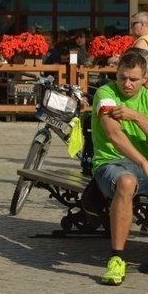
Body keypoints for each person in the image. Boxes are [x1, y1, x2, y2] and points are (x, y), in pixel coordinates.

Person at [90, 50, 148, 286]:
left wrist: (136, 117)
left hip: (143, 167)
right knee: (126, 181)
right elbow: (115, 135)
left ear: (144, 79)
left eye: (133, 79)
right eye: (122, 77)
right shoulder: (105, 95)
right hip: (110, 164)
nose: (127, 84)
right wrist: (143, 162)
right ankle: (117, 259)